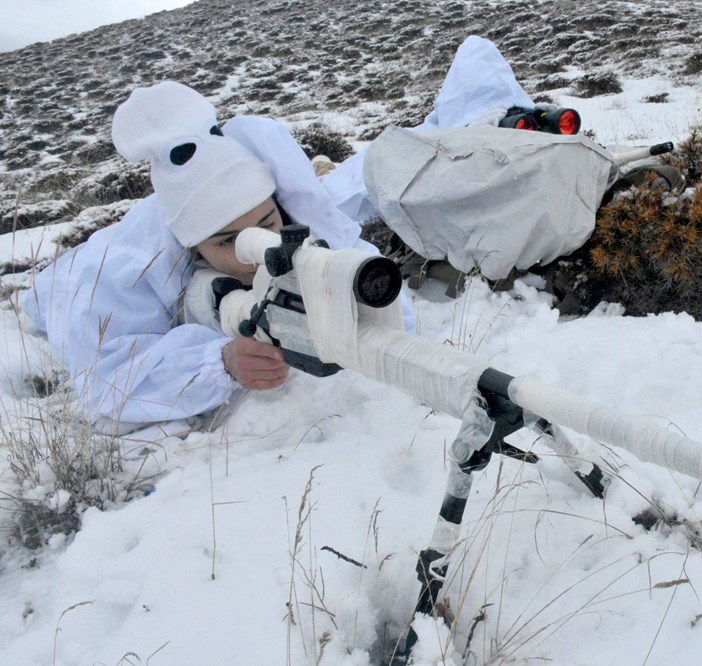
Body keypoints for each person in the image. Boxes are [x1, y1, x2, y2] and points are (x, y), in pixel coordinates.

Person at [21, 36, 534, 434]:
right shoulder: (120, 272)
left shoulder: (286, 206)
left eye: (265, 226)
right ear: (190, 247)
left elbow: (358, 270)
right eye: (228, 243)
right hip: (56, 286)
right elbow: (106, 379)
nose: (255, 251)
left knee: (365, 182)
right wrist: (217, 362)